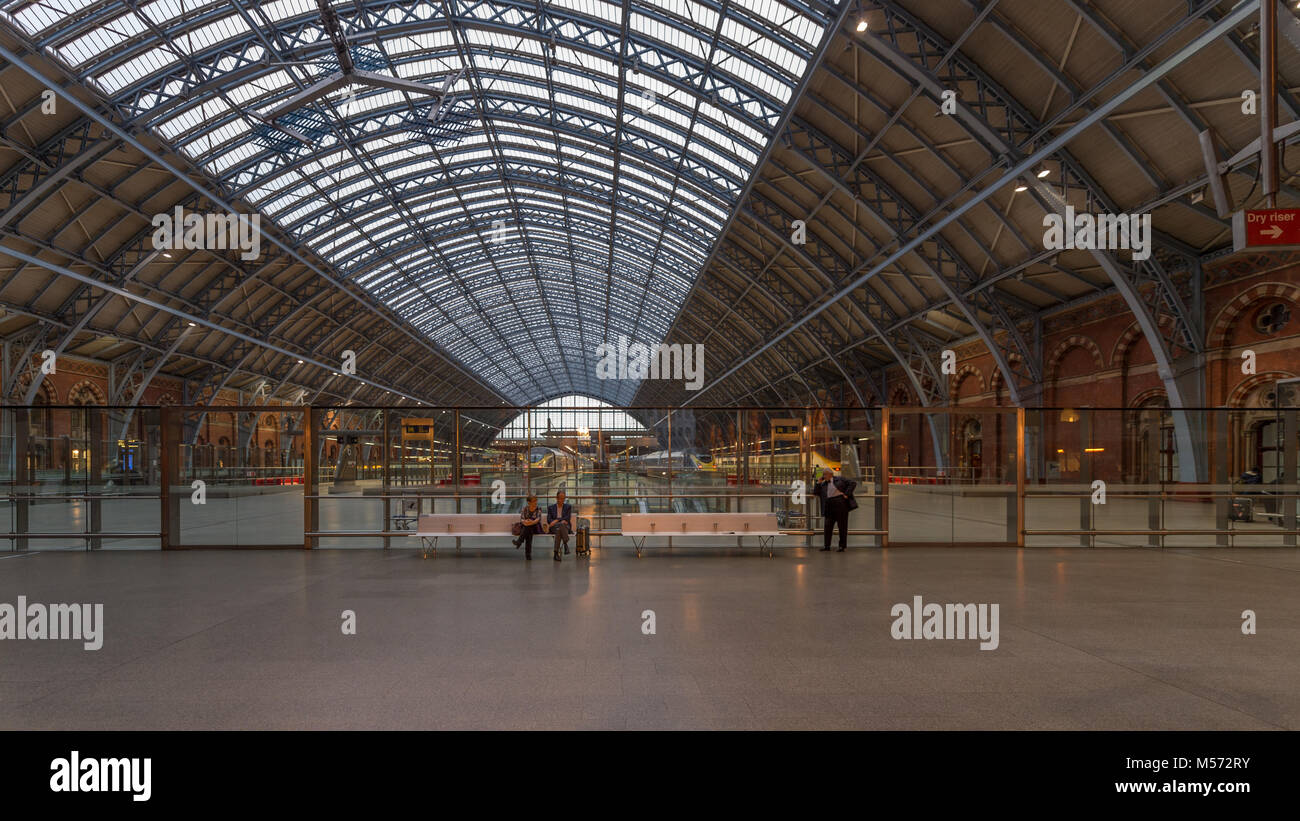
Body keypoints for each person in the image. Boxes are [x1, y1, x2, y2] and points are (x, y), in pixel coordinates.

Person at [813, 467, 856, 552]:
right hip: (829, 505)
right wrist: (818, 482)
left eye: (825, 474)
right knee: (827, 526)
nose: (824, 476)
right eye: (823, 474)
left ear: (831, 474)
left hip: (840, 503)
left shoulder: (840, 479)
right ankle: (826, 546)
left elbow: (853, 483)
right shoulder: (823, 484)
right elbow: (815, 492)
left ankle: (842, 546)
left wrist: (847, 494)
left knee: (842, 526)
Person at [513, 495, 544, 560]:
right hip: (526, 527)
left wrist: (530, 522)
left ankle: (519, 541)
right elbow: (522, 519)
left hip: (536, 527)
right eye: (533, 501)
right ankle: (528, 555)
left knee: (528, 528)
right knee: (528, 531)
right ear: (529, 502)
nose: (535, 502)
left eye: (536, 501)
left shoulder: (538, 509)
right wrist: (526, 522)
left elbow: (538, 519)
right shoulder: (525, 509)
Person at [546, 489, 573, 561]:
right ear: (556, 498)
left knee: (559, 529)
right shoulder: (551, 508)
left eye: (563, 498)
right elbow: (549, 520)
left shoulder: (568, 507)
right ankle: (565, 544)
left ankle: (556, 554)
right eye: (560, 498)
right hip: (554, 527)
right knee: (559, 526)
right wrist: (560, 520)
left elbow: (567, 518)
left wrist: (556, 520)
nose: (562, 500)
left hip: (565, 527)